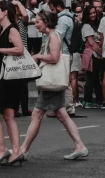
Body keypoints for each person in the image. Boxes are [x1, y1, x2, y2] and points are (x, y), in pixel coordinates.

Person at [18, 10, 88, 163]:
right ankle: (80, 146)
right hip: (53, 83)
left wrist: (38, 56)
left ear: (46, 22)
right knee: (62, 115)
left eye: (37, 22)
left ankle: (23, 150)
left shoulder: (53, 37)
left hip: (51, 83)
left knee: (37, 115)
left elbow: (55, 57)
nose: (35, 24)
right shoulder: (51, 36)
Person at [0, 1, 25, 166]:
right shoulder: (3, 31)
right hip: (7, 78)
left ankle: (2, 149)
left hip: (12, 80)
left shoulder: (12, 30)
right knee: (8, 115)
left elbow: (20, 49)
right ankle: (16, 152)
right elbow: (5, 60)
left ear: (5, 13)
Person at [49, 0, 76, 117]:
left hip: (63, 52)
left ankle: (67, 108)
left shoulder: (63, 19)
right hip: (64, 52)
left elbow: (58, 37)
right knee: (62, 80)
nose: (52, 12)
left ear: (58, 7)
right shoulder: (68, 17)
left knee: (63, 81)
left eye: (52, 9)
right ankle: (63, 108)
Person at [81, 5, 104, 109]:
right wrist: (102, 54)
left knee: (94, 79)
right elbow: (92, 43)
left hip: (95, 55)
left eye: (94, 12)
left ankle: (97, 100)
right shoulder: (87, 26)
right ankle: (87, 101)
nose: (93, 15)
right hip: (92, 54)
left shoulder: (94, 25)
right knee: (91, 78)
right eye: (90, 13)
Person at [12, 0, 31, 117]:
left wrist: (18, 3)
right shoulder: (9, 24)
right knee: (14, 84)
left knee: (24, 84)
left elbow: (25, 15)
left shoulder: (22, 23)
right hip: (14, 56)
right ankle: (14, 108)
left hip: (24, 56)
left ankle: (24, 108)